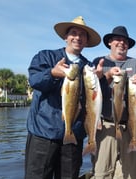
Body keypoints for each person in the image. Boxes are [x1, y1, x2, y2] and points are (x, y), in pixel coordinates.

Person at [25, 16, 103, 178]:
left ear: (87, 41)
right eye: (73, 33)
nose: (78, 37)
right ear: (65, 37)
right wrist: (52, 73)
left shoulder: (89, 68)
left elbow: (92, 102)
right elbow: (35, 80)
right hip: (43, 134)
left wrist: (101, 78)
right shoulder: (45, 56)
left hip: (74, 138)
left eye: (83, 35)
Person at [92, 26, 136, 179]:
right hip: (105, 125)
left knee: (133, 173)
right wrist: (107, 75)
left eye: (125, 41)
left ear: (128, 45)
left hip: (131, 125)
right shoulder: (99, 62)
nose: (121, 43)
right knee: (102, 171)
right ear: (110, 42)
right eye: (117, 39)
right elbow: (91, 91)